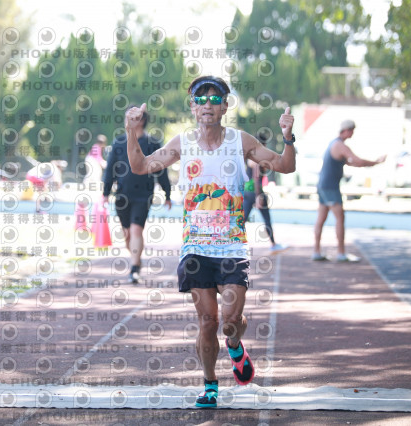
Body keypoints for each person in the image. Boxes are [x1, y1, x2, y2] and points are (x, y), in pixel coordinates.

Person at [124, 76, 296, 408]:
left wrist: (288, 137)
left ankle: (235, 345)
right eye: (200, 99)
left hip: (232, 247)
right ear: (192, 107)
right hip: (196, 249)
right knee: (207, 321)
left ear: (225, 107)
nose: (207, 104)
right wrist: (132, 131)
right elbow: (141, 165)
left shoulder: (240, 141)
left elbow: (285, 166)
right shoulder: (182, 143)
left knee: (230, 321)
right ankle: (210, 383)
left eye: (214, 99)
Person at [102, 108, 172, 283]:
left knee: (136, 229)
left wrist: (167, 193)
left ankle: (134, 268)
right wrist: (105, 193)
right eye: (127, 117)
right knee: (127, 233)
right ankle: (136, 259)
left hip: (144, 194)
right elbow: (110, 169)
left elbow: (161, 169)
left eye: (132, 117)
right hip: (122, 195)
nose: (128, 120)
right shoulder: (119, 143)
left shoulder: (152, 143)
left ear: (142, 120)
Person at [312, 120, 386, 262]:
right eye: (352, 130)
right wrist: (376, 162)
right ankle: (341, 253)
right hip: (330, 187)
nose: (352, 133)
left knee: (321, 219)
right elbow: (358, 161)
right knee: (340, 218)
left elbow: (353, 163)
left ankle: (316, 252)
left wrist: (372, 163)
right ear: (346, 130)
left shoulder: (334, 143)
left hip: (323, 185)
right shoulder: (340, 145)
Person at [243, 158, 288, 254]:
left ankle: (233, 243)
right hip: (255, 192)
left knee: (242, 219)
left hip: (248, 191)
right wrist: (258, 196)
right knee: (266, 219)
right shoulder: (256, 160)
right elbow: (256, 178)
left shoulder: (251, 159)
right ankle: (274, 245)